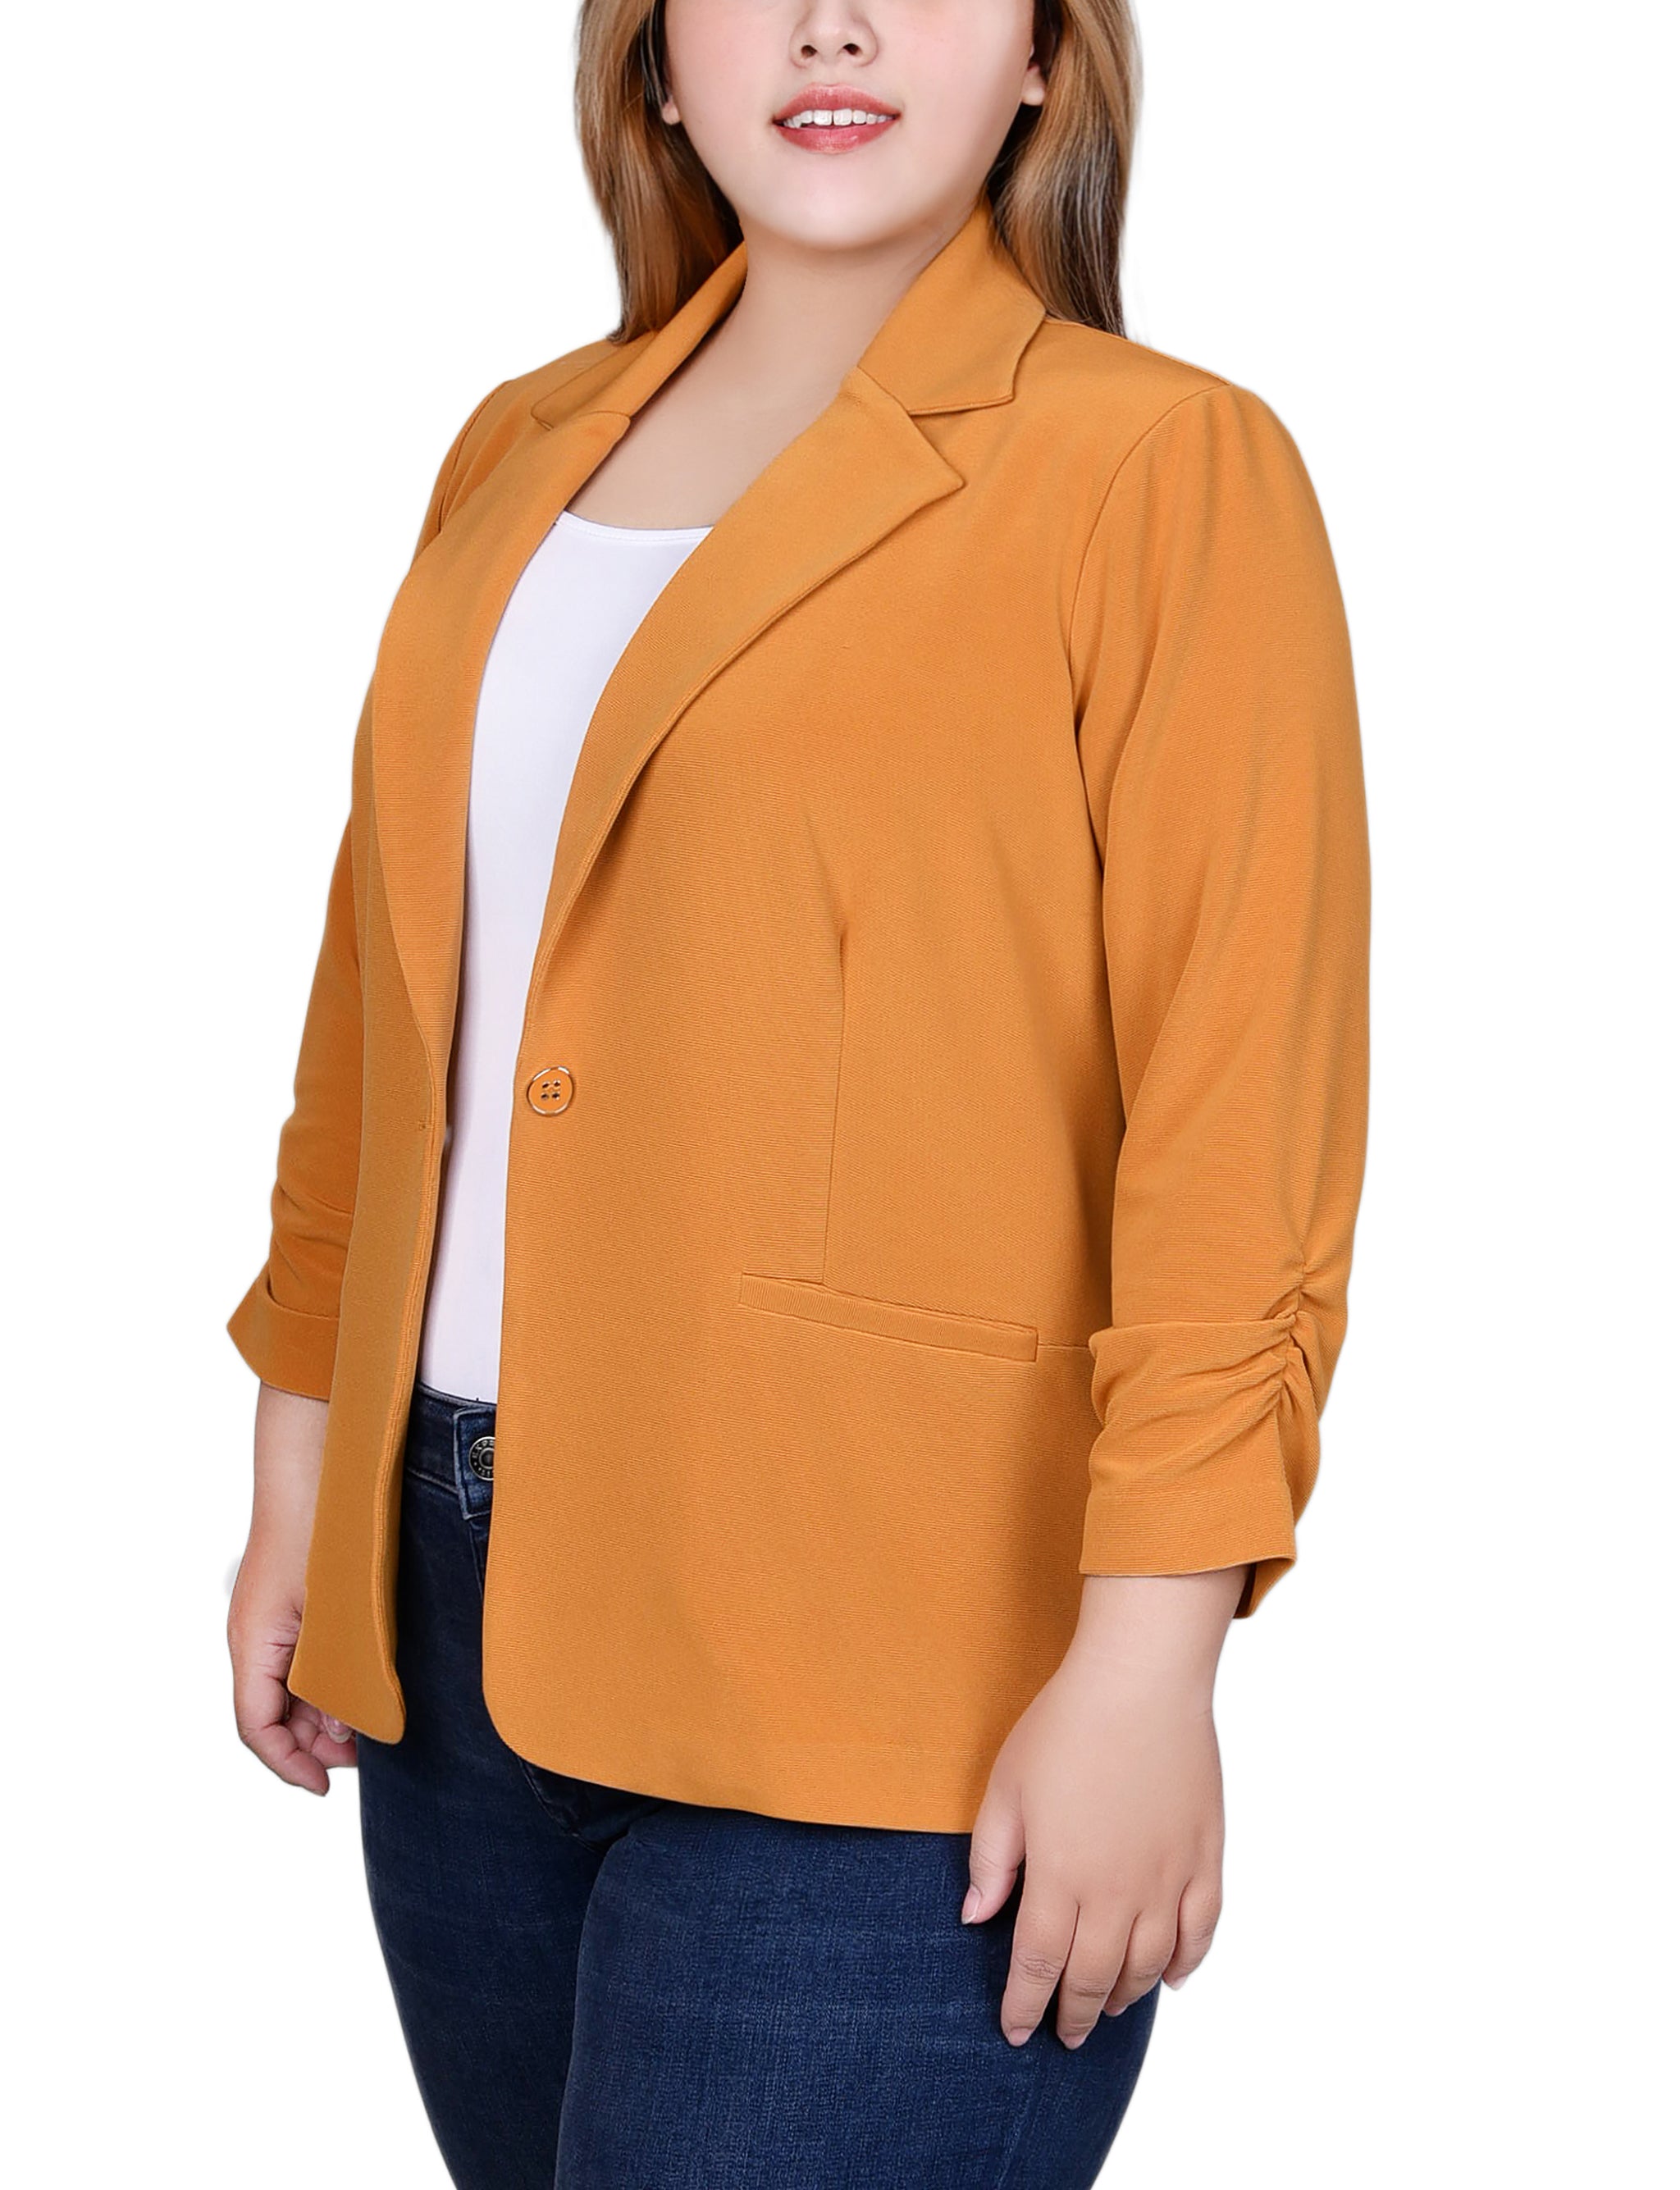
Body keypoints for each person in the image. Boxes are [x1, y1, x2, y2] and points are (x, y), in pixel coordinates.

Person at [224, 2, 1370, 2183]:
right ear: (655, 57)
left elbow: (1242, 1117)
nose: (833, 20)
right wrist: (301, 1466)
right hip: (446, 1614)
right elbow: (381, 1004)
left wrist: (1156, 1660)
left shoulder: (1160, 468)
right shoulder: (513, 451)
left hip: (903, 1660)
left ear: (1044, 58)